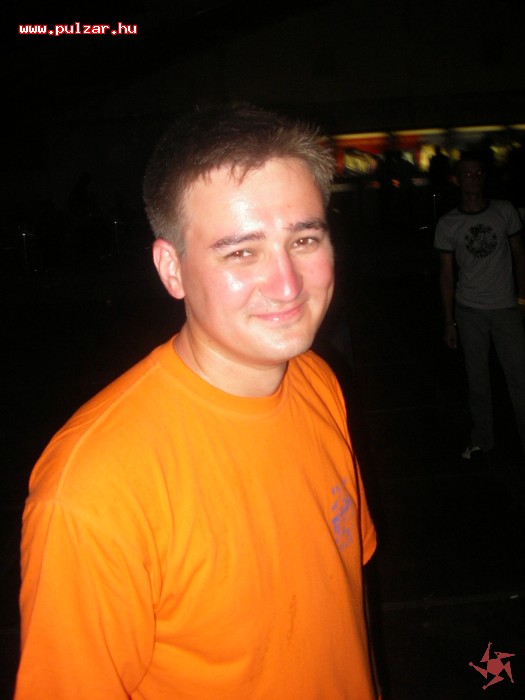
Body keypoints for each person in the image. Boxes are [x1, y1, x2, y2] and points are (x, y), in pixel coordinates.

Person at [15, 104, 379, 699]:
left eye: (304, 239)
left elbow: (344, 608)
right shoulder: (94, 490)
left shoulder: (318, 382)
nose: (288, 284)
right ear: (172, 269)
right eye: (241, 252)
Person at [434, 151, 525, 462]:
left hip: (505, 308)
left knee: (519, 378)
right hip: (469, 311)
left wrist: (522, 298)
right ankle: (482, 439)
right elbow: (446, 274)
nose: (472, 178)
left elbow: (519, 255)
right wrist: (449, 321)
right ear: (457, 180)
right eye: (466, 173)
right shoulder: (448, 223)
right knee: (477, 381)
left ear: (484, 177)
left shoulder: (504, 211)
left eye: (477, 172)